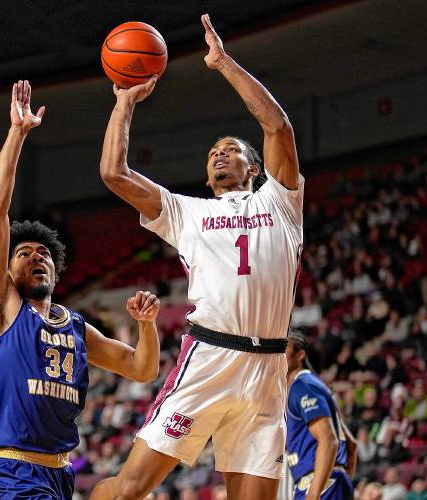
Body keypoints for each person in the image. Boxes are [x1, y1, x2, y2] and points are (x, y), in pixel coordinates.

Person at [92, 13, 304, 500]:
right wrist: (124, 103)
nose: (219, 154)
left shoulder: (282, 202)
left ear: (254, 167)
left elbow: (278, 126)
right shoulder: (188, 212)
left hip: (268, 370)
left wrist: (223, 63)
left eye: (230, 149)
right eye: (213, 153)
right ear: (208, 180)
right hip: (209, 357)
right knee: (129, 491)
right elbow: (113, 173)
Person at [0, 80, 162, 499]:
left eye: (43, 254)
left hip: (61, 474)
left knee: (124, 491)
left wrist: (147, 326)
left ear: (55, 271)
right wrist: (17, 134)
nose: (35, 257)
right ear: (6, 270)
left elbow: (142, 370)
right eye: (23, 253)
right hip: (12, 470)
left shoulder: (75, 326)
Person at [285, 331, 357, 499]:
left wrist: (315, 491)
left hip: (317, 482)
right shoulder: (313, 384)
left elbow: (329, 439)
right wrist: (342, 480)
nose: (278, 354)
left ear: (300, 355)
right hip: (330, 481)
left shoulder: (302, 386)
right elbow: (351, 445)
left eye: (285, 349)